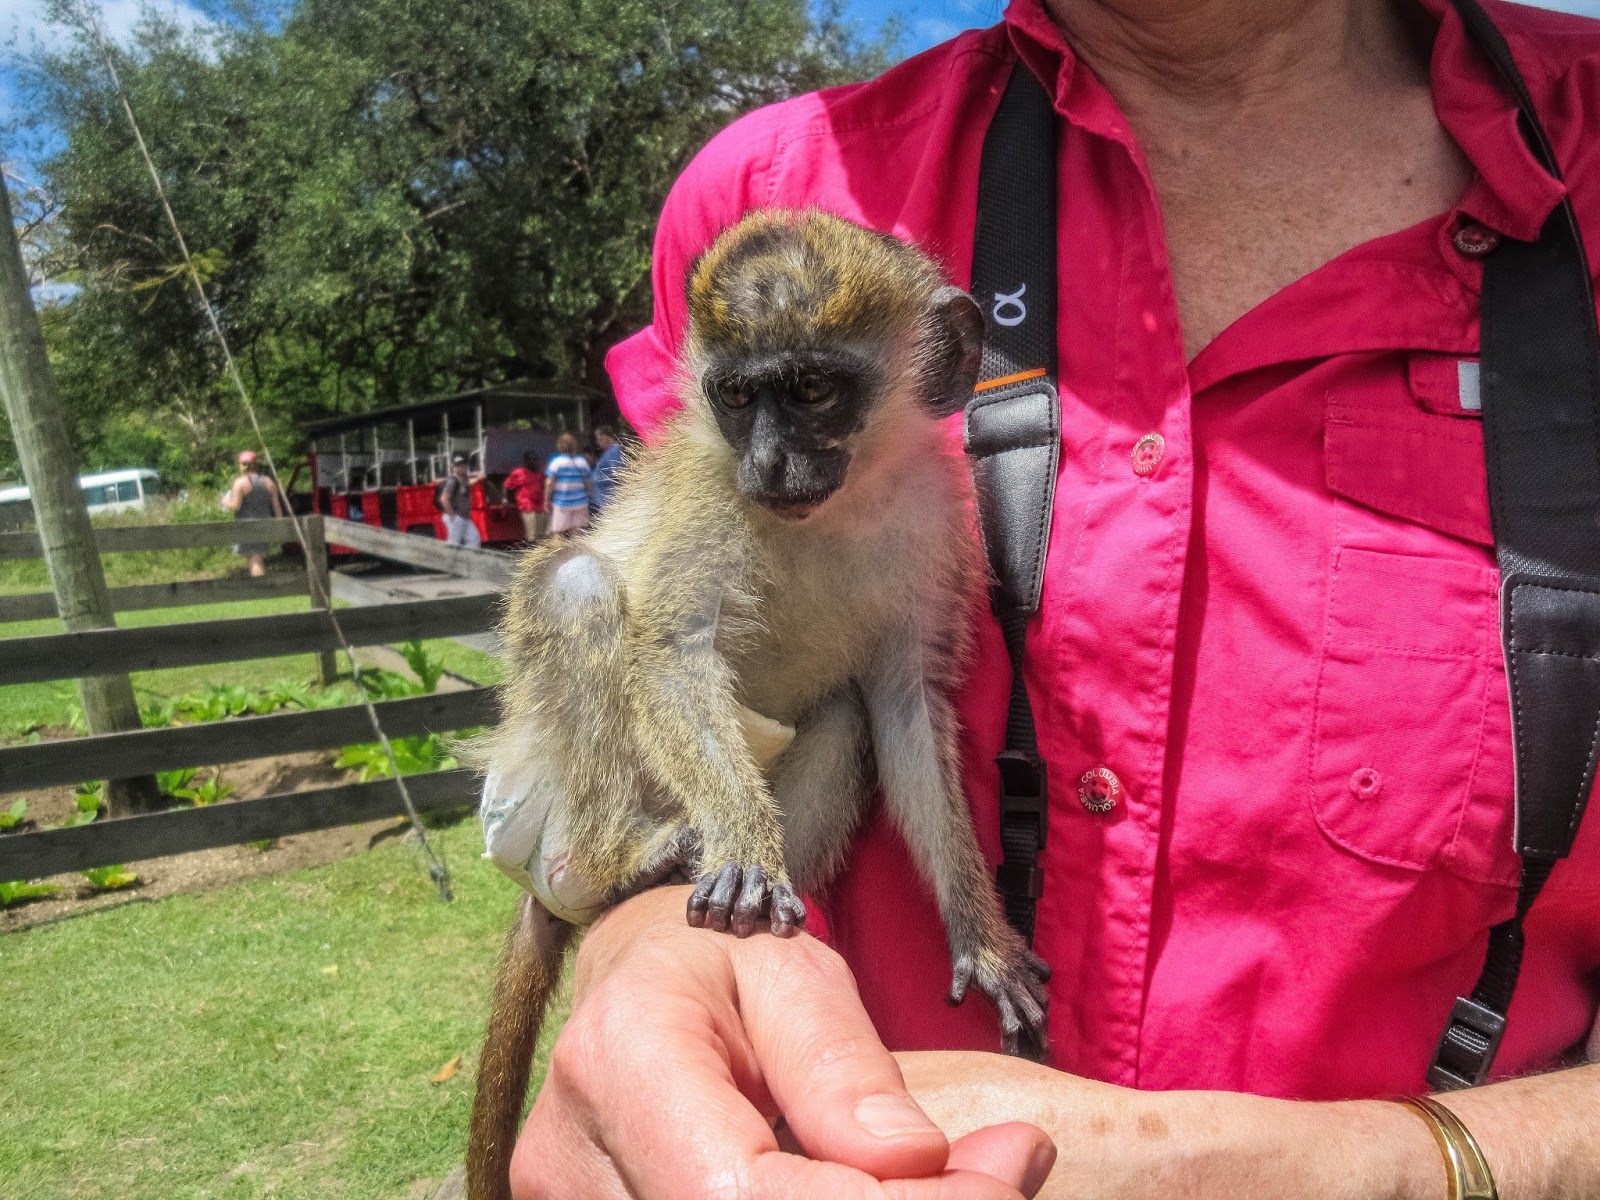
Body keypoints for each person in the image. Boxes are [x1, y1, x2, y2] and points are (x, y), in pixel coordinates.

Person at [515, 1, 1600, 1197]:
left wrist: (1386, 1169)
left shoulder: (1579, 151)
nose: (771, 463)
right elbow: (647, 675)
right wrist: (642, 945)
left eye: (815, 399)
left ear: (940, 361)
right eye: (743, 409)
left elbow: (901, 704)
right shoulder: (768, 187)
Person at [221, 450, 284, 577]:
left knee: (255, 559)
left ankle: (260, 586)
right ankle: (260, 584)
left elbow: (235, 506)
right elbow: (277, 507)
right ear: (256, 464)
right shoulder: (268, 481)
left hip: (247, 527)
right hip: (265, 525)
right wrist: (280, 525)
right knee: (256, 557)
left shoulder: (240, 483)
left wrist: (225, 501)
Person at [544, 432, 592, 537]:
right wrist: (588, 494)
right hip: (581, 502)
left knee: (558, 533)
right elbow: (588, 481)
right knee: (578, 535)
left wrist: (547, 500)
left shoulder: (557, 462)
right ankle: (576, 548)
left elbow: (549, 483)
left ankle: (559, 548)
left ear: (560, 446)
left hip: (561, 503)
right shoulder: (582, 462)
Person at [436, 452, 482, 547]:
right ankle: (449, 557)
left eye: (463, 465)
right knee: (454, 544)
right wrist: (452, 515)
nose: (462, 467)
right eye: (458, 465)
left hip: (463, 517)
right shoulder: (452, 481)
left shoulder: (463, 480)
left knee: (474, 539)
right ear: (453, 468)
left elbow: (467, 485)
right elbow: (443, 499)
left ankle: (468, 557)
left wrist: (478, 479)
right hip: (456, 516)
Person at [503, 450, 546, 542]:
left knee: (543, 535)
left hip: (541, 507)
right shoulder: (519, 473)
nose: (535, 462)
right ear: (526, 461)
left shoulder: (541, 473)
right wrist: (506, 499)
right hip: (527, 507)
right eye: (532, 460)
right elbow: (507, 486)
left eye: (536, 459)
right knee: (532, 535)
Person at [588, 425, 624, 516]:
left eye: (599, 439)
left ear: (605, 437)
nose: (598, 443)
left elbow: (617, 473)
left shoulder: (614, 451)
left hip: (608, 497)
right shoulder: (610, 451)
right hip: (603, 497)